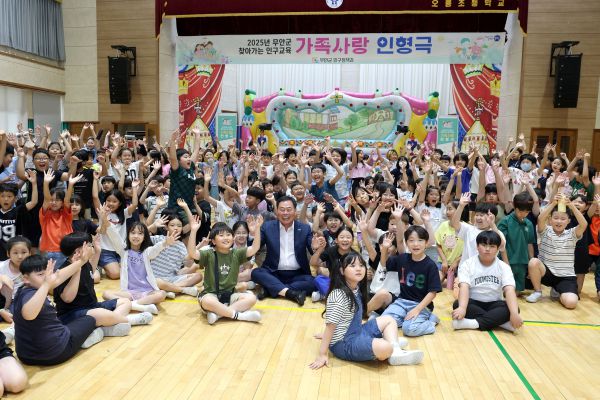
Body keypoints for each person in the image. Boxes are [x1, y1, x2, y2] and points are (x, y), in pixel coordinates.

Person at [309, 253, 424, 369]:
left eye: (361, 265)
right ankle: (391, 345)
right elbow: (331, 326)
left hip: (357, 332)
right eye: (352, 266)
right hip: (344, 344)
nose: (358, 269)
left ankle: (395, 350)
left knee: (389, 320)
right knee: (385, 347)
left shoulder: (355, 287)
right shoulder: (338, 294)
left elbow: (342, 320)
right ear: (342, 271)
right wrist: (322, 354)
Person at [12, 250, 105, 366]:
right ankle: (90, 338)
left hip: (25, 356)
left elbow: (58, 276)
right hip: (56, 353)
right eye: (41, 274)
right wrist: (46, 284)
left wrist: (81, 261)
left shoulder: (25, 288)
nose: (47, 278)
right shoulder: (32, 293)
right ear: (25, 278)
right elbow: (29, 315)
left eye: (48, 274)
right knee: (89, 319)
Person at [54, 232, 153, 335]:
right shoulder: (64, 271)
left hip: (91, 306)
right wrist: (77, 269)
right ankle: (128, 320)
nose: (91, 247)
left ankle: (107, 326)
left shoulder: (85, 263)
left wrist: (97, 251)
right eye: (89, 245)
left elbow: (90, 272)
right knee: (101, 314)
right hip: (72, 314)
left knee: (125, 302)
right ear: (78, 251)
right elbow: (68, 298)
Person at [188, 216, 263, 325]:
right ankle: (240, 316)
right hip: (211, 294)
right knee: (207, 301)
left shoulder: (236, 253)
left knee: (252, 298)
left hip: (230, 295)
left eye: (228, 235)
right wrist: (193, 230)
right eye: (221, 235)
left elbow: (254, 248)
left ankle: (218, 314)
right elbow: (192, 253)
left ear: (233, 238)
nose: (226, 238)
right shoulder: (208, 254)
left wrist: (257, 230)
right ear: (213, 241)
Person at [452, 231, 523, 332]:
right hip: (473, 303)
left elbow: (509, 290)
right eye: (484, 245)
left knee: (514, 309)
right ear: (477, 246)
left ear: (497, 249)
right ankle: (502, 323)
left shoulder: (504, 267)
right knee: (457, 304)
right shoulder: (467, 264)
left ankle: (472, 324)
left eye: (492, 246)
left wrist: (514, 313)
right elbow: (464, 287)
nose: (487, 249)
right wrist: (462, 308)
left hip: (495, 304)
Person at [251, 196, 315, 306]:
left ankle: (271, 289)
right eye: (282, 209)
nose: (285, 213)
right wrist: (254, 233)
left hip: (297, 275)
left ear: (295, 211)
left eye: (289, 209)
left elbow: (313, 250)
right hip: (273, 272)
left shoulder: (305, 228)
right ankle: (291, 293)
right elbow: (255, 248)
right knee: (256, 273)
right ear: (277, 211)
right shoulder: (267, 227)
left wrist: (316, 247)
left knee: (313, 282)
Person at [526, 194, 587, 308]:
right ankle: (538, 291)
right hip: (547, 272)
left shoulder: (572, 233)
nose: (559, 221)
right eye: (555, 218)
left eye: (563, 219)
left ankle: (558, 291)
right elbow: (540, 218)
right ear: (550, 219)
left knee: (571, 303)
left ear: (568, 221)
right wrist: (553, 203)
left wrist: (572, 206)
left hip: (565, 276)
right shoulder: (545, 230)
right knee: (533, 262)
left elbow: (583, 224)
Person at [101, 221, 174, 314]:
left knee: (162, 294)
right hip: (129, 292)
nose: (136, 236)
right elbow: (114, 236)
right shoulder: (123, 251)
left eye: (140, 233)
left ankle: (132, 305)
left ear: (144, 237)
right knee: (106, 294)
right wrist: (105, 220)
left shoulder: (147, 252)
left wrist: (165, 243)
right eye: (133, 233)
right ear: (128, 235)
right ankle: (140, 305)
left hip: (147, 291)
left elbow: (155, 249)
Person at [381, 226, 442, 337]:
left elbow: (433, 292)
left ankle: (431, 321)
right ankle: (406, 318)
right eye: (411, 240)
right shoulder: (402, 258)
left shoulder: (430, 265)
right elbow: (384, 264)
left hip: (421, 306)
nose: (416, 244)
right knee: (383, 322)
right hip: (401, 302)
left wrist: (417, 310)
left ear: (426, 243)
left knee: (409, 329)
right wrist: (385, 248)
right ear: (406, 243)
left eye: (420, 240)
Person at [497, 192, 535, 293]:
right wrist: (506, 263)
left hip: (522, 263)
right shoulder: (505, 222)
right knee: (505, 291)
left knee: (517, 292)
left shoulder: (529, 224)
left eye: (527, 212)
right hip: (507, 261)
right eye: (520, 211)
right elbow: (500, 245)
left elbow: (530, 243)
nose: (523, 214)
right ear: (514, 207)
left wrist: (531, 262)